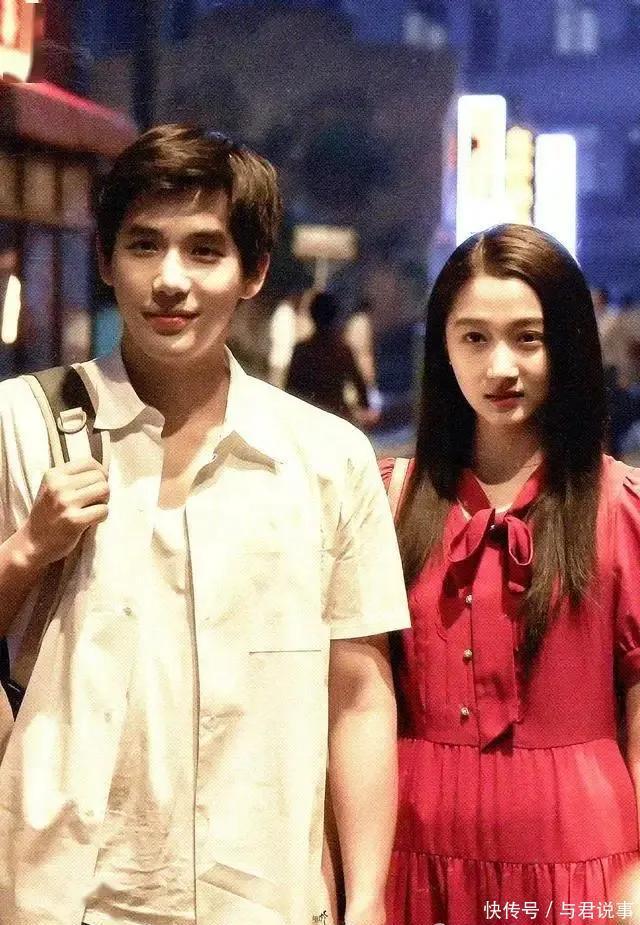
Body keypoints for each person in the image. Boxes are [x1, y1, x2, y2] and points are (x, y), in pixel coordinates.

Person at [0, 124, 410, 925]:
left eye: (205, 250)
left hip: (262, 897)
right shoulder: (22, 423)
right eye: (143, 245)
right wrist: (27, 550)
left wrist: (365, 899)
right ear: (105, 259)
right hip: (64, 897)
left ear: (252, 271)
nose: (170, 280)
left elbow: (359, 694)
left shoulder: (326, 457)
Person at [381, 224, 640, 925]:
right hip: (413, 856)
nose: (501, 366)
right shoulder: (388, 500)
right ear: (442, 346)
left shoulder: (620, 508)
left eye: (529, 338)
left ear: (569, 345)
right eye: (474, 337)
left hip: (582, 862)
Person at [286, 291, 378, 426]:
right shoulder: (341, 350)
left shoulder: (302, 350)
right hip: (336, 416)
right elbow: (359, 384)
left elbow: (291, 387)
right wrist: (365, 406)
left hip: (307, 417)